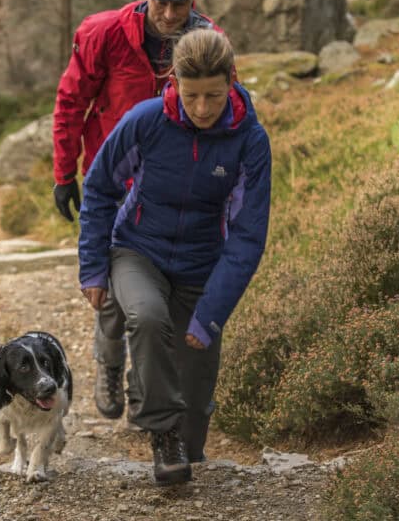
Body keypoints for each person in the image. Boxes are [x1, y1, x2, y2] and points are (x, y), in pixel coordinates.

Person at [77, 28, 271, 486]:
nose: (202, 108)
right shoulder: (146, 121)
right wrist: (92, 266)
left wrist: (211, 313)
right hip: (137, 249)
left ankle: (182, 437)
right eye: (191, 95)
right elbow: (101, 188)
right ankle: (162, 435)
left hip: (203, 264)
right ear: (174, 82)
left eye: (213, 96)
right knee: (145, 318)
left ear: (231, 82)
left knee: (197, 399)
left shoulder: (250, 141)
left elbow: (247, 236)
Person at [52, 0, 229, 421]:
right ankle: (109, 364)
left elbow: (225, 110)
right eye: (160, 2)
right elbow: (72, 101)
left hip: (174, 187)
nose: (170, 14)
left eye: (181, 2)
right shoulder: (103, 33)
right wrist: (64, 172)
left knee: (157, 295)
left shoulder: (209, 41)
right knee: (110, 290)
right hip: (112, 179)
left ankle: (139, 382)